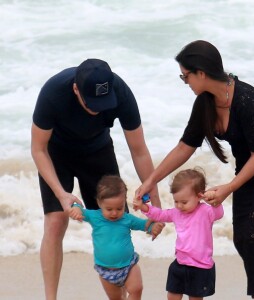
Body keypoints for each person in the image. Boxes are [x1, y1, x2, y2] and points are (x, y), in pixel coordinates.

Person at [135, 40, 254, 300]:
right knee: (243, 238)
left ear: (201, 72)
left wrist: (229, 188)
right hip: (249, 173)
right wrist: (150, 181)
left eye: (185, 76)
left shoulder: (247, 99)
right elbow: (185, 146)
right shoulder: (205, 103)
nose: (185, 81)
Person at [31, 58, 163, 300]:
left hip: (97, 151)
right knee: (56, 221)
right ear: (75, 89)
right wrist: (61, 194)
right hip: (56, 153)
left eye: (103, 103)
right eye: (91, 103)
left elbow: (139, 149)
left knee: (115, 219)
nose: (98, 109)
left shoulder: (121, 92)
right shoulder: (53, 93)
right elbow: (38, 149)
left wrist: (155, 199)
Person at [133, 168, 224, 300]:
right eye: (176, 201)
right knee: (172, 295)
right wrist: (143, 207)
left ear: (199, 196)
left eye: (184, 202)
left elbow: (219, 213)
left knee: (195, 298)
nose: (179, 206)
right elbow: (160, 214)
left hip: (200, 266)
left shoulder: (206, 212)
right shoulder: (176, 213)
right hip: (180, 263)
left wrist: (214, 200)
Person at [70, 175, 157, 300]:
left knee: (136, 289)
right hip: (106, 271)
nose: (115, 213)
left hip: (129, 266)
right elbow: (79, 208)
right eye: (109, 209)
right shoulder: (95, 217)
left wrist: (153, 227)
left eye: (119, 208)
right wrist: (76, 209)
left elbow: (145, 225)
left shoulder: (127, 219)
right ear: (99, 203)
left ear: (124, 202)